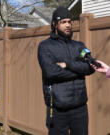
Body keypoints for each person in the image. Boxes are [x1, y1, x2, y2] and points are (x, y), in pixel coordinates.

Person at [37, 7, 95, 135]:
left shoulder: (79, 46)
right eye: (63, 22)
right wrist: (80, 71)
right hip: (58, 109)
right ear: (54, 24)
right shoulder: (45, 46)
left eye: (69, 21)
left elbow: (91, 66)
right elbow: (51, 72)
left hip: (80, 108)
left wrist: (67, 65)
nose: (68, 25)